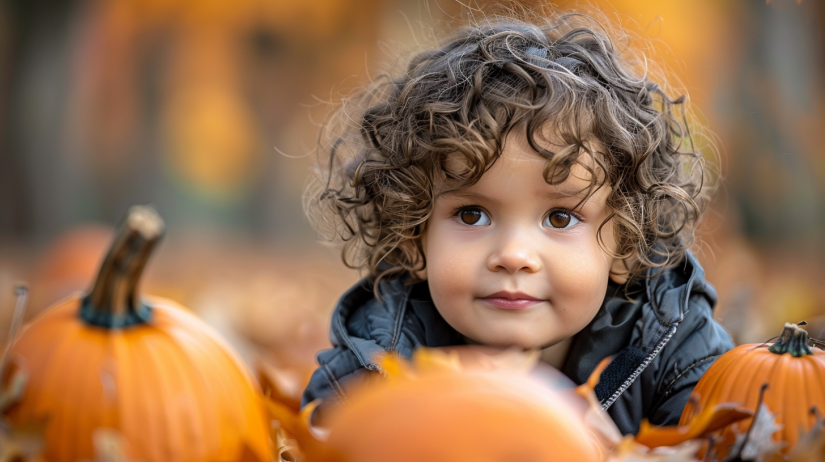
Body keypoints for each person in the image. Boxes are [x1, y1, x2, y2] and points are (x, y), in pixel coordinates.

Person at [300, 10, 733, 435]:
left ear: (624, 244)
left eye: (560, 218)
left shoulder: (673, 351)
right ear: (414, 236)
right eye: (473, 215)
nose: (513, 255)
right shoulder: (373, 367)